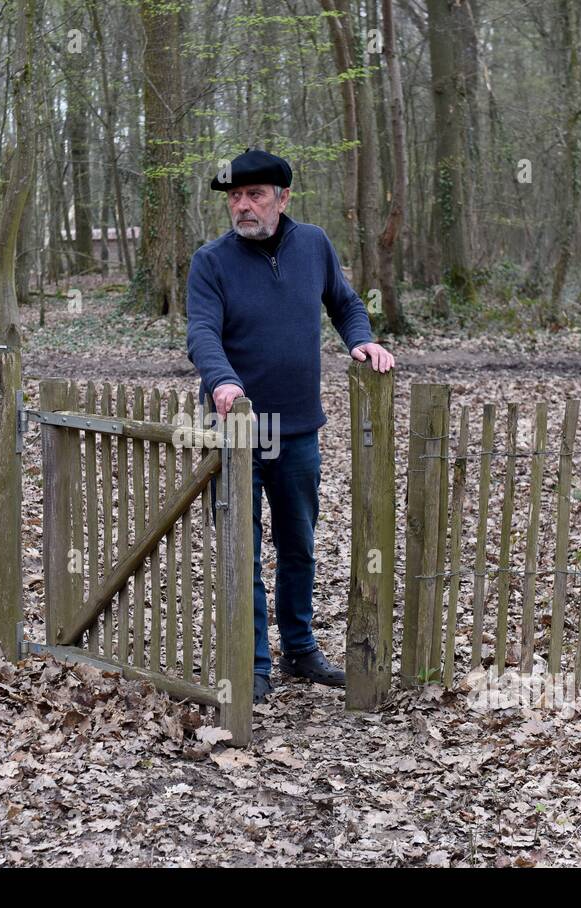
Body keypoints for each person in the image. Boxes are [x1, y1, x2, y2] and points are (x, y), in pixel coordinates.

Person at [186, 148, 396, 704]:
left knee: (298, 543)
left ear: (283, 198)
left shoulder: (315, 246)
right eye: (235, 197)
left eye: (255, 195)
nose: (243, 207)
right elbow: (202, 333)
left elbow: (346, 305)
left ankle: (300, 650)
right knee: (243, 548)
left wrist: (362, 339)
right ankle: (253, 664)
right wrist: (223, 381)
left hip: (298, 428)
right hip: (235, 430)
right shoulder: (210, 262)